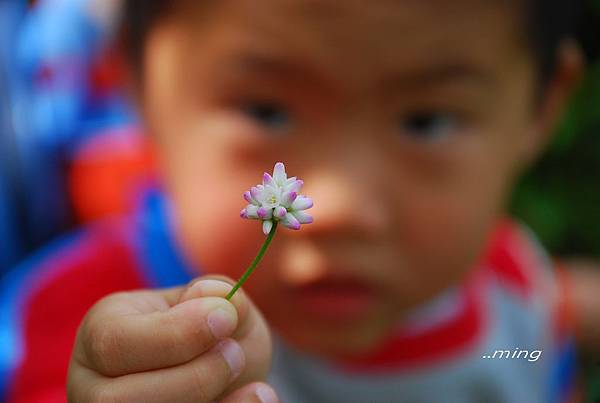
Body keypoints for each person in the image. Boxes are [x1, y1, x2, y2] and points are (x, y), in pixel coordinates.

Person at [1, 0, 599, 402]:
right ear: (134, 85)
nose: (338, 205)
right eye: (266, 111)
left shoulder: (520, 304)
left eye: (427, 121)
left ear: (543, 107)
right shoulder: (85, 333)